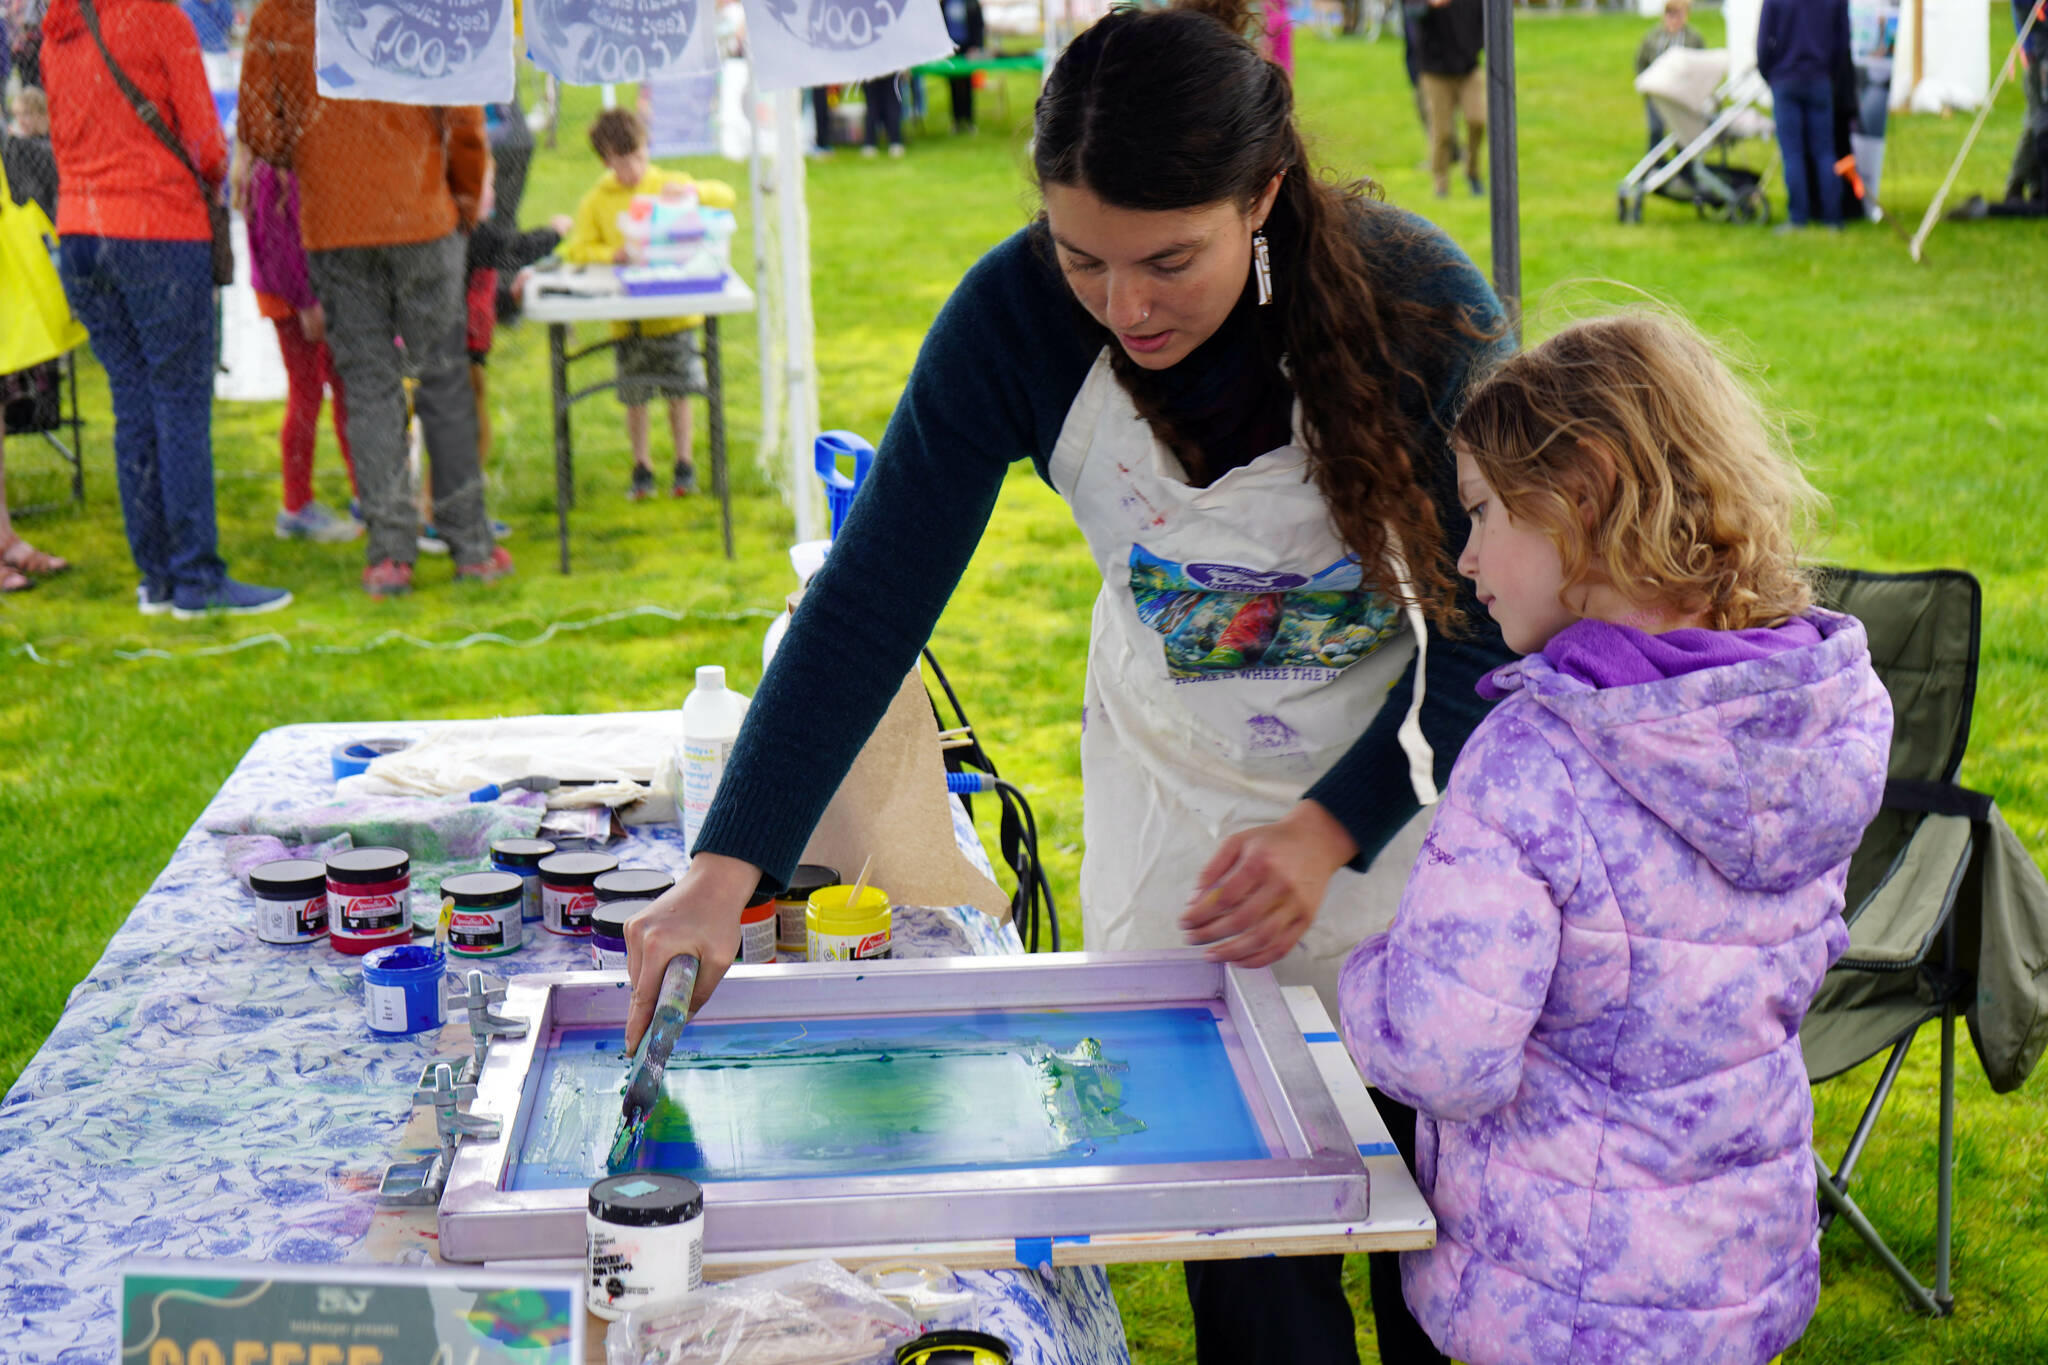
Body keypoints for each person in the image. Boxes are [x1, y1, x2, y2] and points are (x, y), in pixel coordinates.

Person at [623, 1, 1513, 1359]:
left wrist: (1332, 828)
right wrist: (723, 863)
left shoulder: (1419, 305)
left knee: (1441, 1269)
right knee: (1256, 1261)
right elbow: (868, 604)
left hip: (1411, 810)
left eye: (1171, 260)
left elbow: (1492, 645)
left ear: (1264, 195)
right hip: (1187, 827)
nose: (1127, 306)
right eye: (1084, 258)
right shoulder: (1016, 320)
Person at [1339, 312, 1892, 1365]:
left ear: (1581, 495)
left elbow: (1446, 1054)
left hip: (1555, 1304)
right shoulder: (1813, 716)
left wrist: (1367, 982)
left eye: (1484, 511)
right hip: (1732, 1283)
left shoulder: (1534, 759)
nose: (1463, 557)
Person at [239, 0, 510, 597]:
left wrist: (321, 159)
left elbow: (260, 127)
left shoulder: (278, 15)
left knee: (368, 389)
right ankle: (469, 544)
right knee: (442, 380)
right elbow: (463, 112)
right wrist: (462, 201)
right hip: (422, 217)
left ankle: (390, 553)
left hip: (336, 227)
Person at [42, 0, 291, 617]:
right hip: (156, 227)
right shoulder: (160, 19)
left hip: (81, 232)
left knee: (133, 403)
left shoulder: (57, 31)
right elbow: (206, 142)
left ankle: (156, 577)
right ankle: (196, 579)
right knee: (179, 404)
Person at [560, 108, 735, 501]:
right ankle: (642, 465)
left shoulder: (667, 183)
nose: (634, 168)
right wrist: (613, 254)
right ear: (606, 161)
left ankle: (683, 462)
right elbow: (578, 248)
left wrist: (693, 193)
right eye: (623, 162)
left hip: (675, 315)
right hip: (628, 319)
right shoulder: (597, 201)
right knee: (634, 396)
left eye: (639, 156)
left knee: (681, 392)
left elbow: (726, 196)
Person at [239, 154, 360, 542]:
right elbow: (280, 242)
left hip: (311, 289)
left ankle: (365, 492)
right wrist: (307, 301)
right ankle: (296, 505)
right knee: (307, 392)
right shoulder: (273, 167)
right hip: (296, 297)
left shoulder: (273, 161)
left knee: (343, 386)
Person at [1758, 0, 1850, 231]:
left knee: (1793, 154)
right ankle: (1832, 217)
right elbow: (1843, 42)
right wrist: (1830, 75)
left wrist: (1770, 74)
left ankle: (1798, 217)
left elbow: (1763, 42)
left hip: (1785, 79)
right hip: (1819, 78)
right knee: (1825, 152)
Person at [1408, 0, 1484, 198]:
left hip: (1468, 68)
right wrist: (1429, 5)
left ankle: (1472, 172)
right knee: (1442, 132)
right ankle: (1441, 184)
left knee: (1477, 120)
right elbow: (1411, 14)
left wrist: (1476, 46)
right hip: (1435, 71)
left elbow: (1487, 19)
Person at [1634, 0, 1704, 149]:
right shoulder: (1653, 37)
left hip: (1681, 93)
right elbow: (1641, 61)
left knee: (1681, 131)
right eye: (1670, 14)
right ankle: (1655, 164)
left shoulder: (1693, 39)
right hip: (1658, 91)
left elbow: (1700, 64)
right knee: (1656, 128)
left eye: (1678, 15)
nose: (1674, 19)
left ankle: (1683, 166)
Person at [2005, 0, 2047, 207]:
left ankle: (2035, 185)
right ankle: (2017, 183)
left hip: (2039, 55)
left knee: (2037, 123)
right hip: (2038, 59)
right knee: (2037, 125)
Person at [5, 86, 56, 219]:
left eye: (26, 114)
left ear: (42, 113)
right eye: (16, 115)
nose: (20, 121)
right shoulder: (17, 146)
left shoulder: (54, 142)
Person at [941, 0, 985, 131]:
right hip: (951, 49)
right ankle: (956, 120)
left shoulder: (971, 3)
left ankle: (969, 119)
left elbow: (978, 24)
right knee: (953, 85)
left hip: (967, 48)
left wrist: (976, 46)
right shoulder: (945, 3)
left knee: (967, 84)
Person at [861, 72, 905, 156]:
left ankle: (870, 144)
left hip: (869, 71)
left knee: (872, 106)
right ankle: (895, 143)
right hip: (890, 70)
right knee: (892, 103)